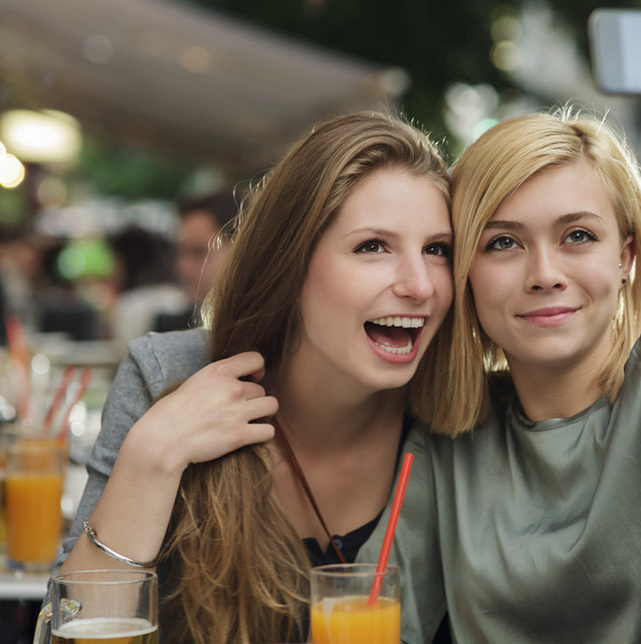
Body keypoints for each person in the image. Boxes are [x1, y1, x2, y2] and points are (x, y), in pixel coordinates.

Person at [364, 0, 641, 643]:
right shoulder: (443, 448)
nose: (544, 271)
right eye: (502, 242)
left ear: (627, 254)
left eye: (577, 235)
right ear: (463, 271)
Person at [55, 112, 454, 644]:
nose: (420, 284)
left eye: (437, 250)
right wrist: (152, 456)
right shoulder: (167, 378)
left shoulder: (456, 418)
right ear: (291, 264)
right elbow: (74, 632)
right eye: (372, 246)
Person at [155, 189, 241, 331]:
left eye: (199, 252)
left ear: (240, 250)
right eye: (181, 252)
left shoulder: (272, 338)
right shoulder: (174, 328)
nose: (181, 266)